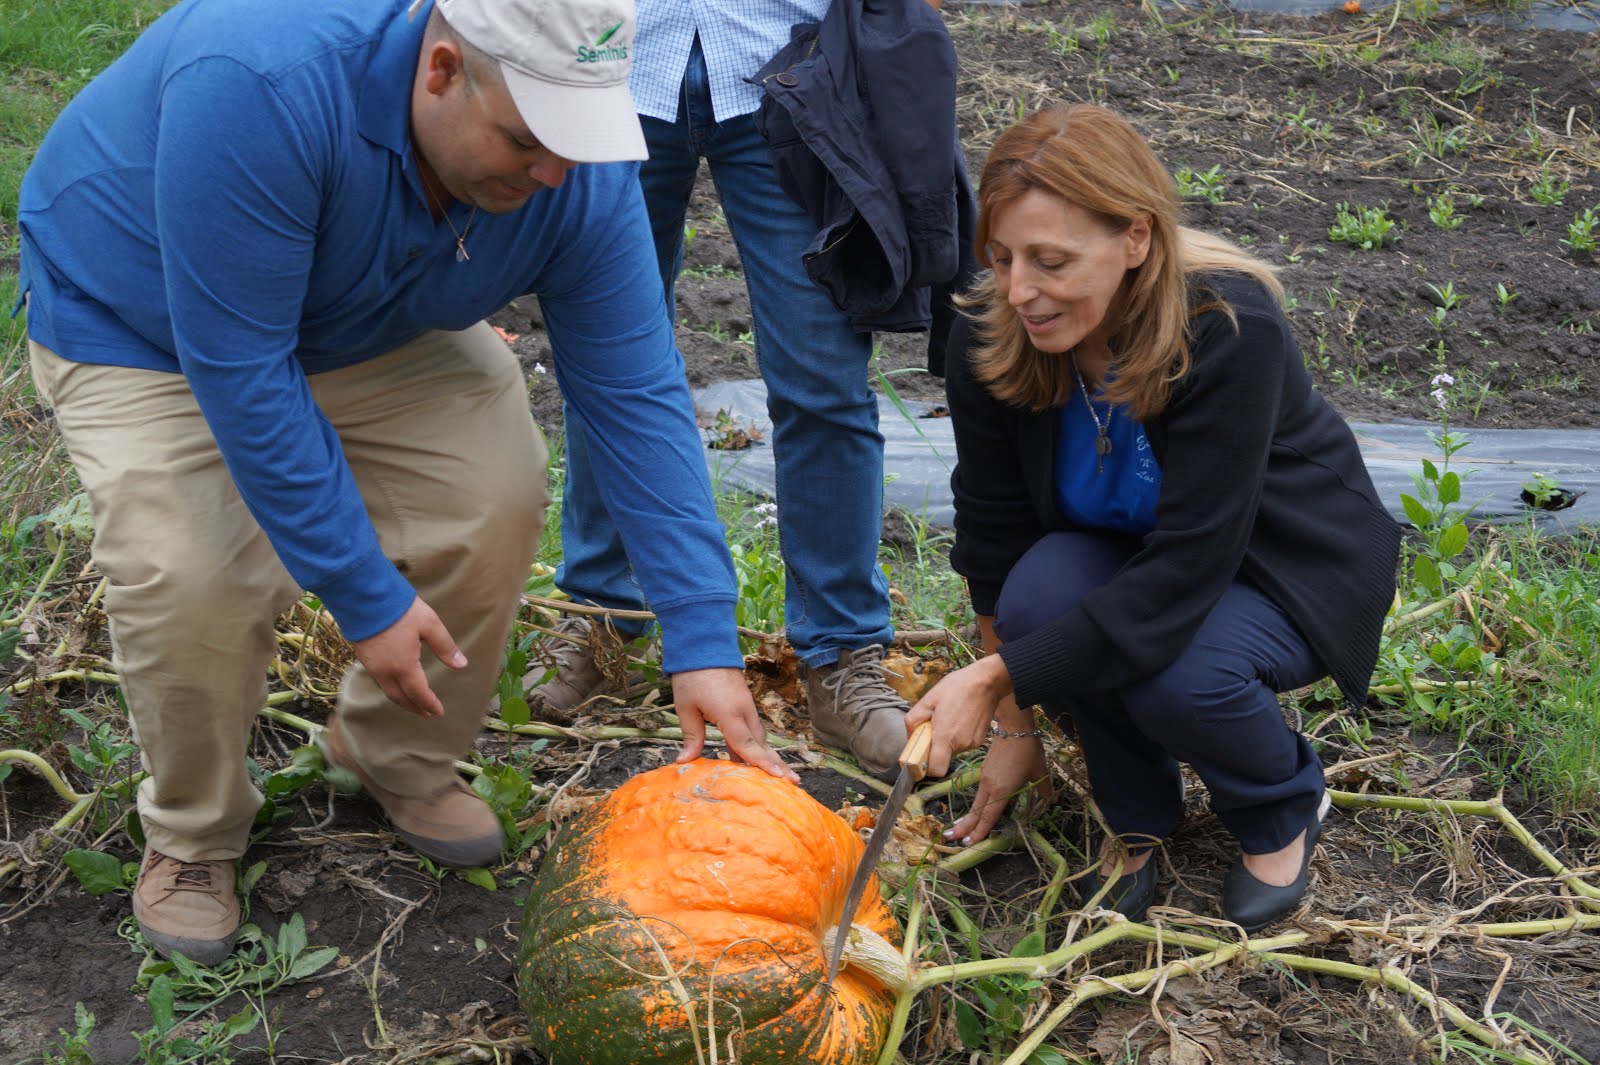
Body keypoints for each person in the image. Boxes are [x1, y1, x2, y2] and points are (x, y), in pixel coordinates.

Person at [16, 0, 795, 966]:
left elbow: (634, 391)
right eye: (529, 139)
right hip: (154, 323)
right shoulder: (261, 82)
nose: (555, 172)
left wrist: (704, 636)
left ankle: (393, 752)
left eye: (576, 141)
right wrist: (364, 591)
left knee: (498, 487)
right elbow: (243, 367)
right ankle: (194, 834)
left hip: (365, 317)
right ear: (439, 70)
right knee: (190, 570)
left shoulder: (575, 173)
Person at [905, 105, 1403, 932]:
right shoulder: (995, 334)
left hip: (1279, 566)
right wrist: (1015, 724)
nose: (1020, 288)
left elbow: (1185, 573)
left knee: (1179, 673)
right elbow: (991, 532)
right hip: (1133, 561)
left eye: (1051, 260)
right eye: (1001, 257)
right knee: (1035, 604)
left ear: (1135, 238)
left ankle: (1282, 806)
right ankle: (1136, 813)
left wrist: (998, 682)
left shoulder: (1227, 330)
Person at [525, 1, 954, 780]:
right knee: (602, 362)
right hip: (608, 57)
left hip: (787, 63)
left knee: (824, 379)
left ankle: (840, 653)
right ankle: (601, 616)